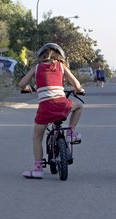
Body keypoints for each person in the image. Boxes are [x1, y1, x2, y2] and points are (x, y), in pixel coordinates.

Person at [19, 43, 84, 179]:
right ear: (60, 57)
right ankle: (71, 132)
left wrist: (27, 88)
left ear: (41, 56)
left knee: (37, 137)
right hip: (61, 105)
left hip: (45, 108)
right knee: (79, 105)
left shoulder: (36, 68)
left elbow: (21, 84)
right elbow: (76, 85)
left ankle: (38, 169)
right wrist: (79, 90)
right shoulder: (61, 66)